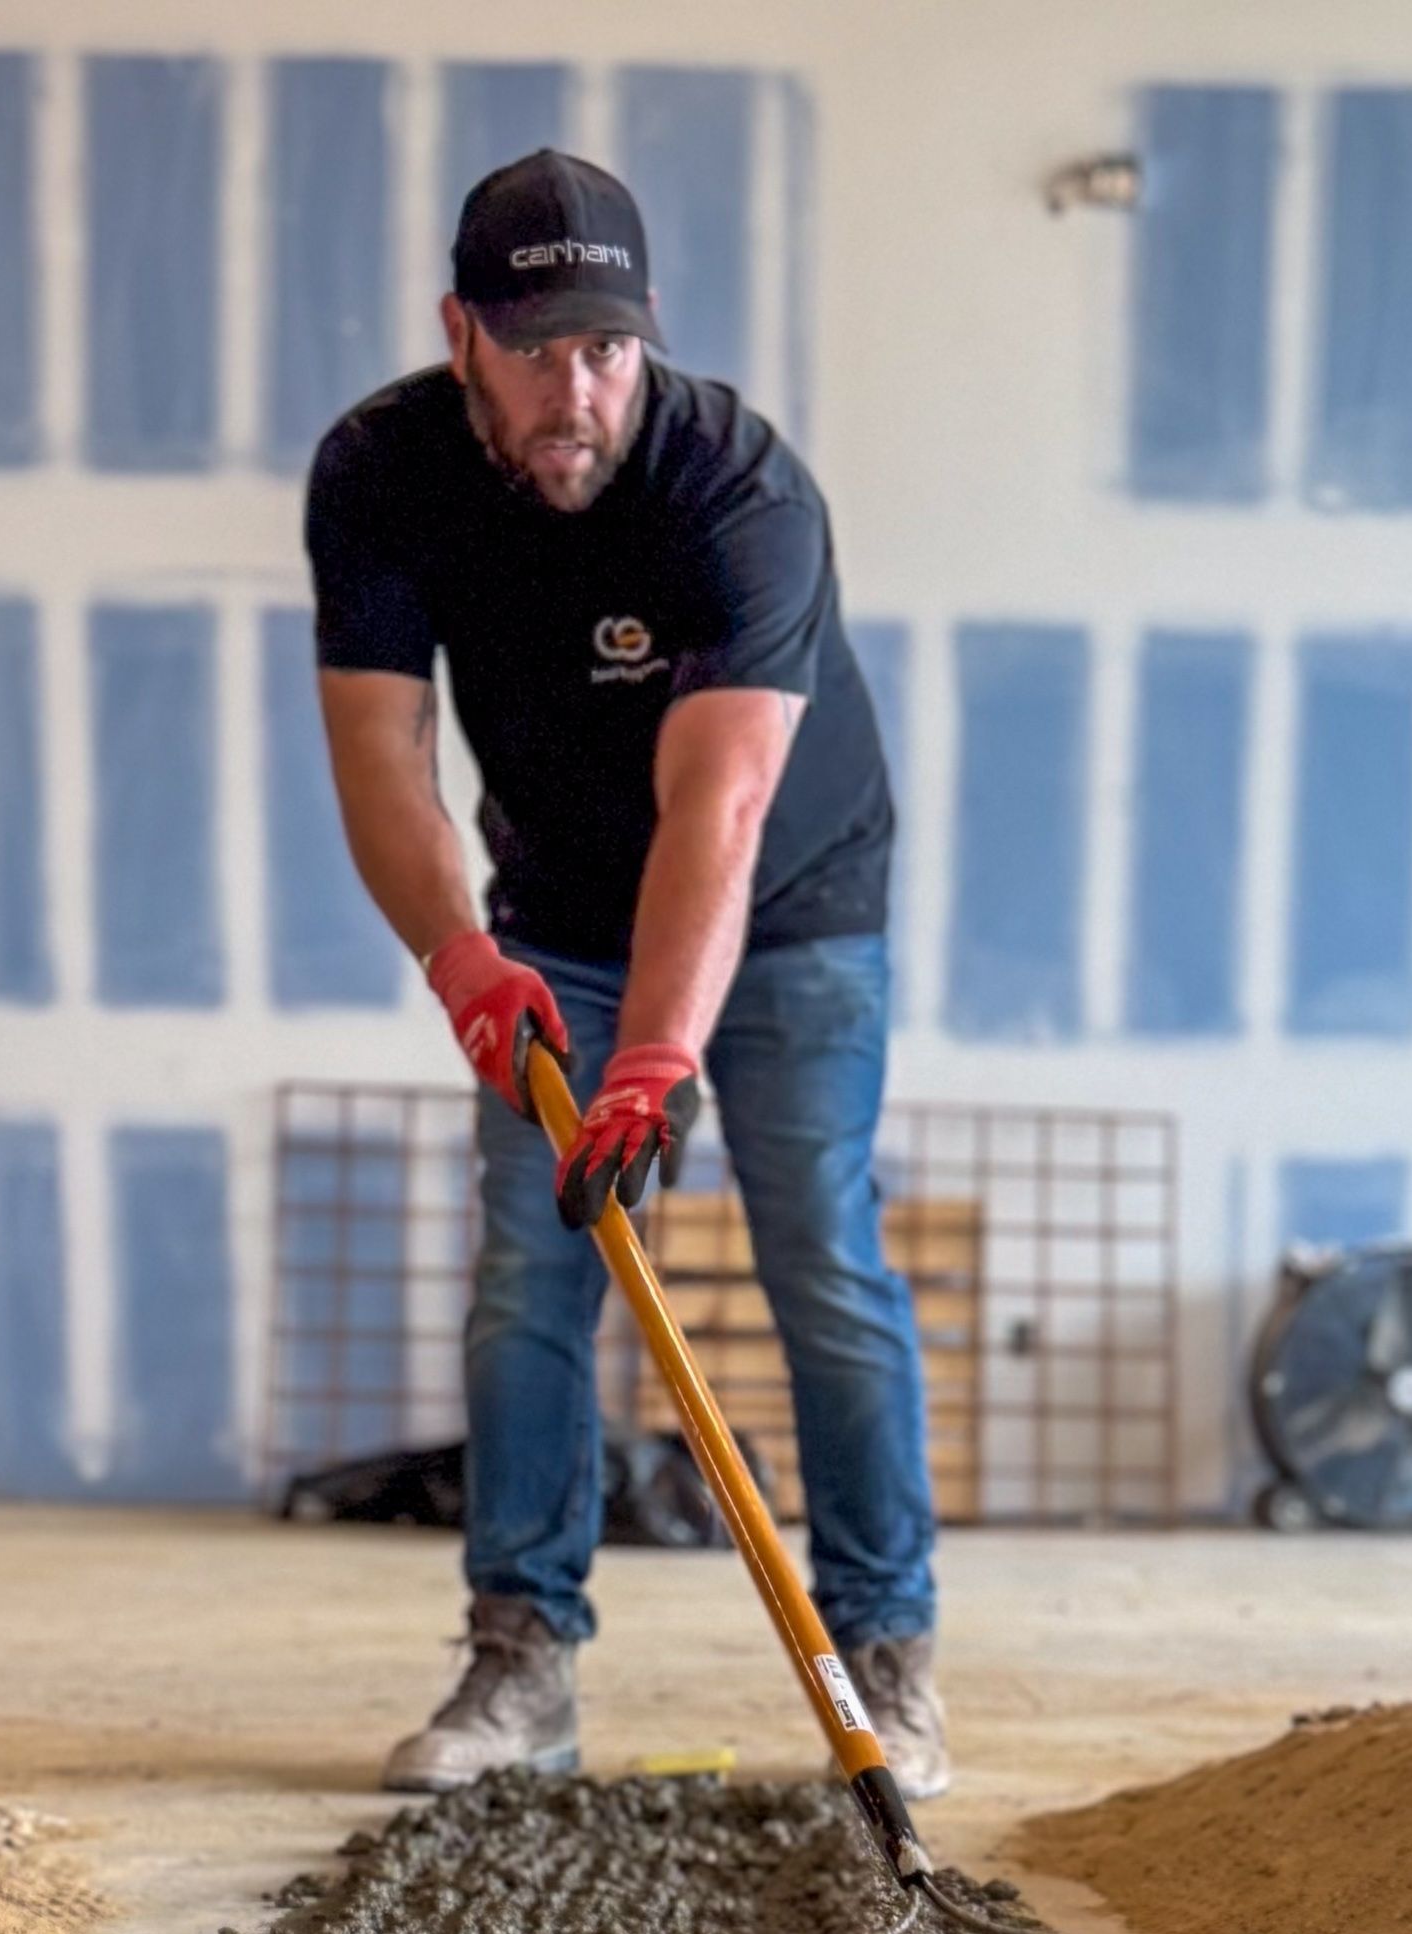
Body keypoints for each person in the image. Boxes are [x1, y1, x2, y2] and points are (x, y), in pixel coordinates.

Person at [306, 148, 947, 1799]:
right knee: (534, 1264)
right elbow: (382, 759)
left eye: (607, 348)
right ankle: (523, 1661)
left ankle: (886, 1661)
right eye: (539, 353)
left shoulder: (741, 491)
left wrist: (656, 1058)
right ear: (465, 336)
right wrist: (461, 959)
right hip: (555, 919)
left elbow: (719, 810)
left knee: (818, 1243)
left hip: (793, 900)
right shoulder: (380, 475)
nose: (578, 389)